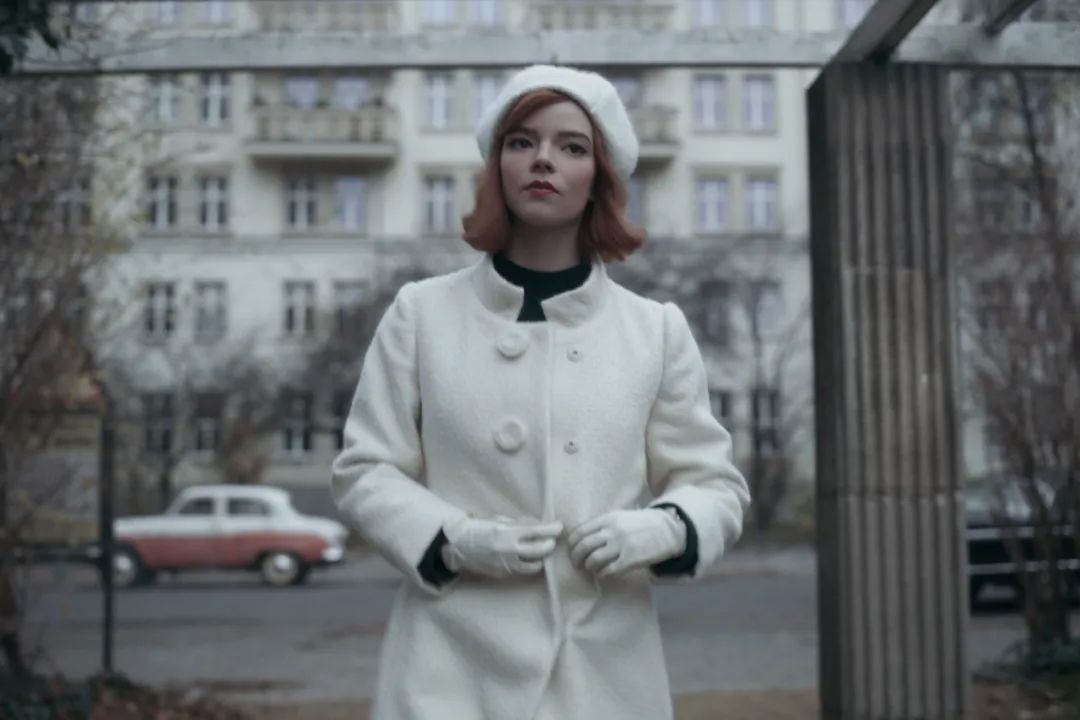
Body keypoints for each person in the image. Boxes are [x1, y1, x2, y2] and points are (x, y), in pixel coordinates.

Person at [330, 64, 750, 720]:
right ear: (497, 165)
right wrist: (453, 539)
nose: (543, 160)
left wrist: (665, 528)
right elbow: (365, 470)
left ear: (599, 178)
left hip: (605, 675)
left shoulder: (654, 330)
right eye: (522, 142)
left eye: (571, 146)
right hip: (448, 671)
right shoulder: (421, 314)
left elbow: (715, 485)